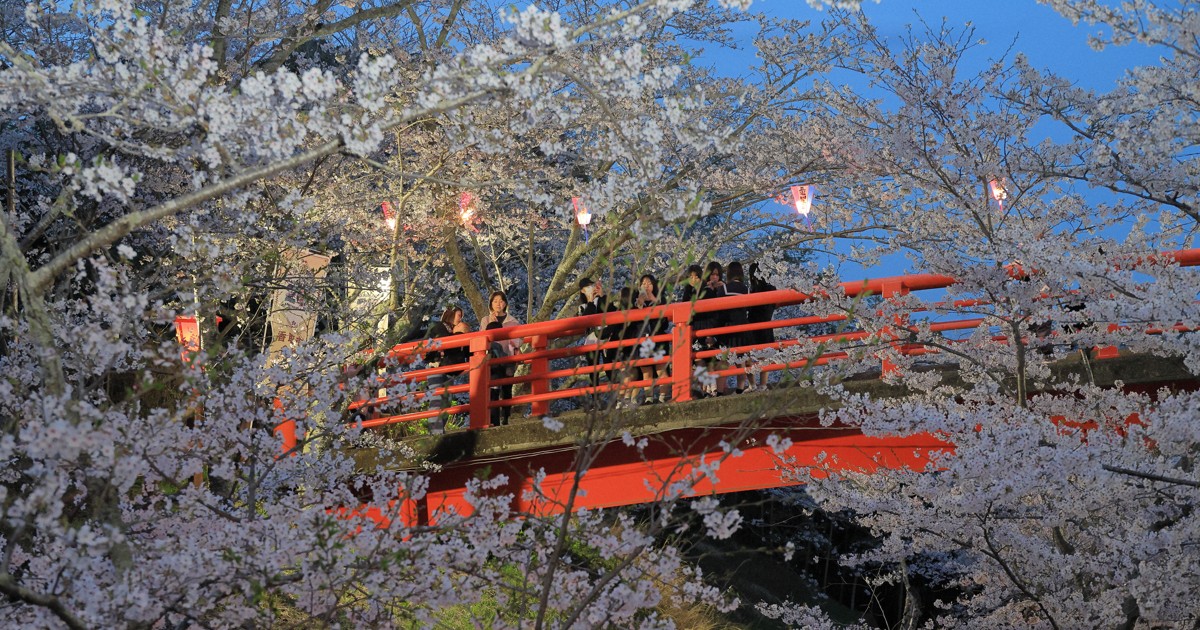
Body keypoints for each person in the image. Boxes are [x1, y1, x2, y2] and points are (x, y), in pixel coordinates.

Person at [480, 290, 521, 426]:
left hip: (508, 358)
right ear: (491, 303)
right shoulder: (486, 320)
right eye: (495, 301)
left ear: (505, 303)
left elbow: (519, 339)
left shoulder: (513, 321)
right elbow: (481, 339)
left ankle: (506, 417)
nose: (498, 304)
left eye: (501, 301)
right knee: (493, 389)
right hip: (492, 359)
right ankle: (494, 420)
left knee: (507, 389)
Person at [635, 273, 670, 403]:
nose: (646, 286)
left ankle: (662, 397)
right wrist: (640, 302)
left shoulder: (661, 300)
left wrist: (653, 299)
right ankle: (649, 398)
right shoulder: (636, 301)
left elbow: (665, 322)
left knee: (661, 368)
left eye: (649, 283)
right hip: (643, 339)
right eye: (643, 283)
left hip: (658, 338)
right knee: (646, 371)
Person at [747, 262, 777, 390]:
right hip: (766, 324)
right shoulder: (772, 288)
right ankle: (762, 384)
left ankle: (753, 384)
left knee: (747, 355)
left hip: (753, 324)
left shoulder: (753, 290)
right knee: (765, 355)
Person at [723, 261, 752, 392]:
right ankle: (740, 388)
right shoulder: (747, 290)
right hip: (744, 326)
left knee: (726, 359)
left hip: (729, 326)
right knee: (743, 358)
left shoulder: (723, 289)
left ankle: (717, 389)